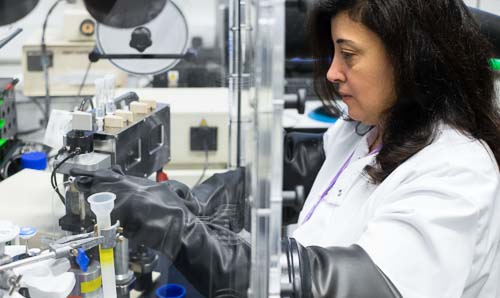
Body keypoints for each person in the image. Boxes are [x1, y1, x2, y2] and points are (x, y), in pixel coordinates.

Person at [74, 0, 500, 297]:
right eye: (333, 51)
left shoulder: (454, 172)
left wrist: (181, 230)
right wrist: (206, 200)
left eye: (348, 54)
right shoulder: (373, 127)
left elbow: (333, 290)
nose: (333, 72)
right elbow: (299, 169)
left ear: (411, 60)